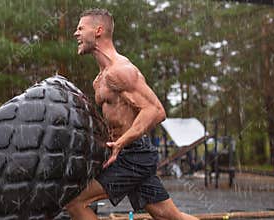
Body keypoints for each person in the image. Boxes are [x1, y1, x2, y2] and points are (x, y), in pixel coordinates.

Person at [66, 8, 199, 220]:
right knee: (171, 217)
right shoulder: (99, 79)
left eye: (81, 28)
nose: (76, 33)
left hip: (131, 154)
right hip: (129, 153)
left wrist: (121, 143)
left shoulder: (121, 70)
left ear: (98, 30)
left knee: (75, 202)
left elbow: (156, 111)